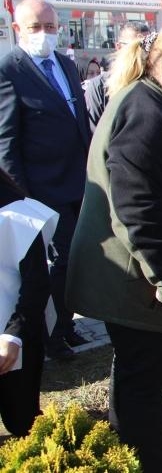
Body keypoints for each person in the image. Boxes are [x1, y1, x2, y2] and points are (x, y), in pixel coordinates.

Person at [65, 23, 162, 472]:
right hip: (136, 277)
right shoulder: (147, 109)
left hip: (135, 273)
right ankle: (142, 455)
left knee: (140, 366)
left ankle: (135, 431)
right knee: (147, 368)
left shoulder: (155, 101)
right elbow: (134, 202)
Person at [0, 0, 92, 360]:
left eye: (51, 27)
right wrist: (19, 197)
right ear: (18, 29)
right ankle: (49, 335)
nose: (45, 35)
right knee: (61, 261)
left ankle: (66, 325)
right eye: (36, 27)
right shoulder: (9, 69)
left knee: (77, 260)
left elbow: (77, 119)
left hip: (77, 181)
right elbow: (6, 139)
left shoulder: (67, 64)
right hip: (40, 188)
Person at [0, 169, 54, 437]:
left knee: (22, 423)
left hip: (15, 338)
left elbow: (36, 283)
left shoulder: (14, 212)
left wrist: (14, 336)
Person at [83, 21, 150, 130]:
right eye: (136, 47)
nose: (142, 53)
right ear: (118, 47)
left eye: (148, 47)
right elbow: (94, 135)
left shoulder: (158, 84)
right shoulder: (99, 87)